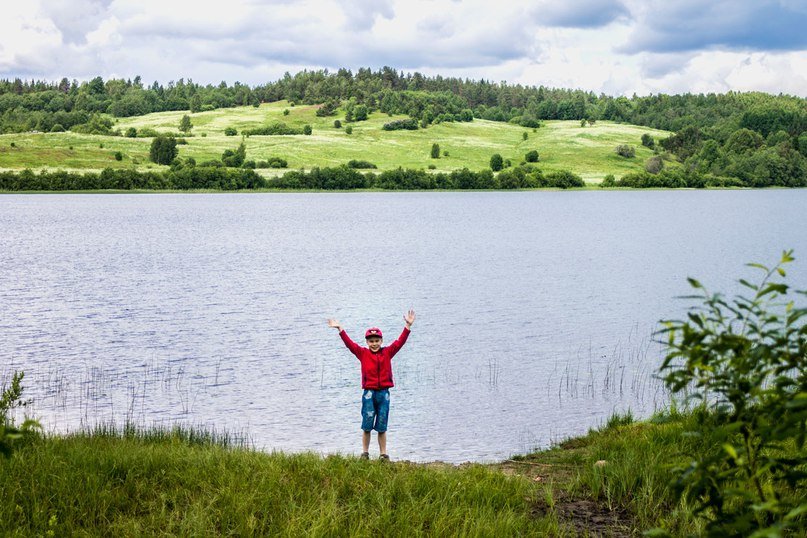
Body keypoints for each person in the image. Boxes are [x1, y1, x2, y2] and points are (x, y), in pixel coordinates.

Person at [327, 310, 415, 461]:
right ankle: (365, 453)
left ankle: (383, 454)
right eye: (371, 341)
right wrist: (340, 329)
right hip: (369, 393)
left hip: (384, 394)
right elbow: (350, 344)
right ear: (367, 342)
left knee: (382, 426)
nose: (374, 344)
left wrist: (407, 325)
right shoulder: (362, 353)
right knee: (366, 425)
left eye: (377, 341)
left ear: (381, 341)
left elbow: (400, 342)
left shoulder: (388, 352)